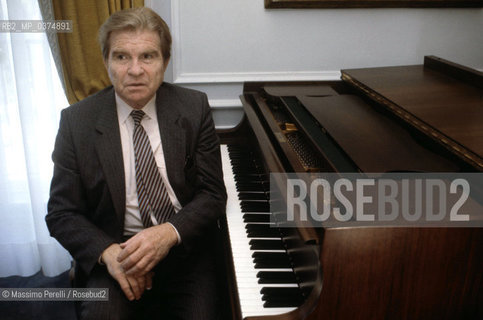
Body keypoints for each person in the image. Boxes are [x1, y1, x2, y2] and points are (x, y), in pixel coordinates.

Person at [46, 7, 227, 320]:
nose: (135, 70)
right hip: (118, 252)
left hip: (183, 248)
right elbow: (62, 212)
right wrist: (110, 254)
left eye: (148, 56)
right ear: (106, 62)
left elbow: (212, 194)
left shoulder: (193, 107)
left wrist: (168, 233)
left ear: (165, 62)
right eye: (121, 57)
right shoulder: (76, 123)